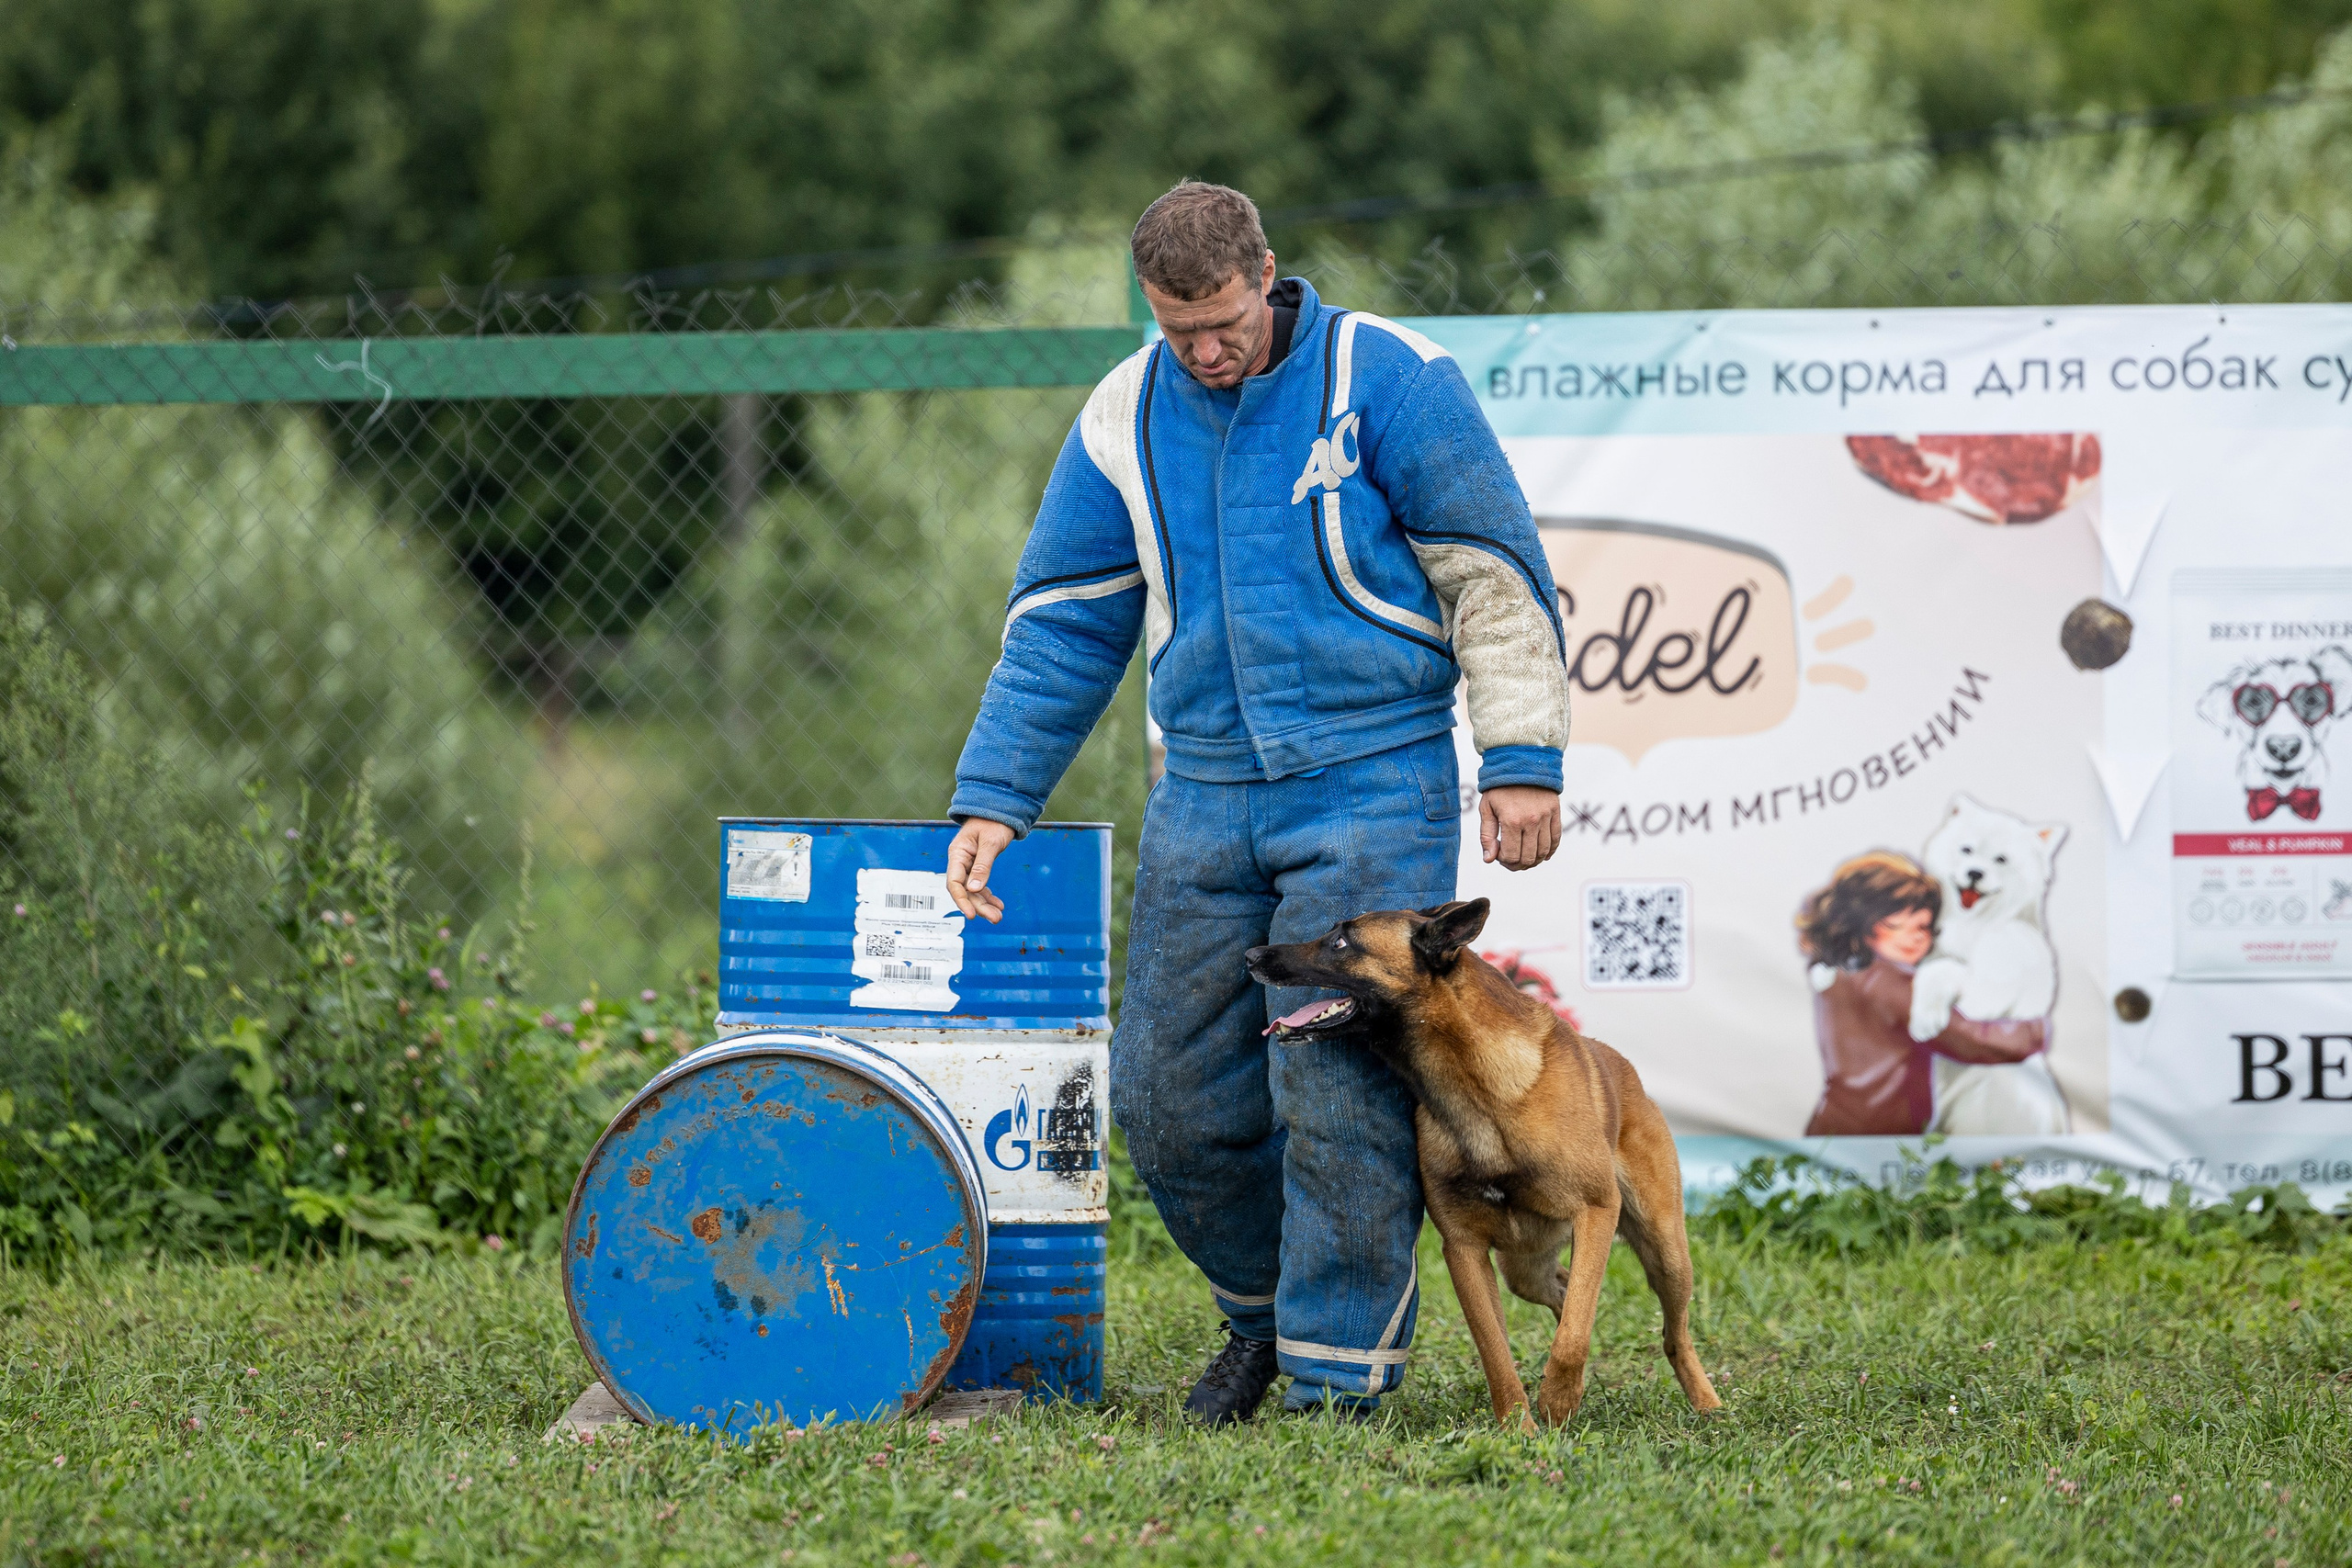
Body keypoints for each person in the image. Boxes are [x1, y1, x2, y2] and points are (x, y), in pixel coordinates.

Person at [941, 181, 1569, 1424]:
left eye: (1222, 322)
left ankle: (1338, 1381)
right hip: (1205, 790)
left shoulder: (1393, 376)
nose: (1207, 351)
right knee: (1166, 1097)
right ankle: (1263, 1318)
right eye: (1179, 330)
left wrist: (1520, 758)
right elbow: (1064, 626)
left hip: (1374, 774)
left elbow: (1493, 574)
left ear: (1266, 273)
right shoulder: (1124, 411)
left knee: (1333, 1089)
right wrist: (994, 796)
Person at [1793, 851, 2052, 1136]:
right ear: (1865, 923)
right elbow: (1969, 1040)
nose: (1918, 937)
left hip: (1839, 1127)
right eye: (1904, 925)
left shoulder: (1838, 975)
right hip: (1875, 1136)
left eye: (1926, 928)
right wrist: (2034, 1031)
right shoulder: (1889, 983)